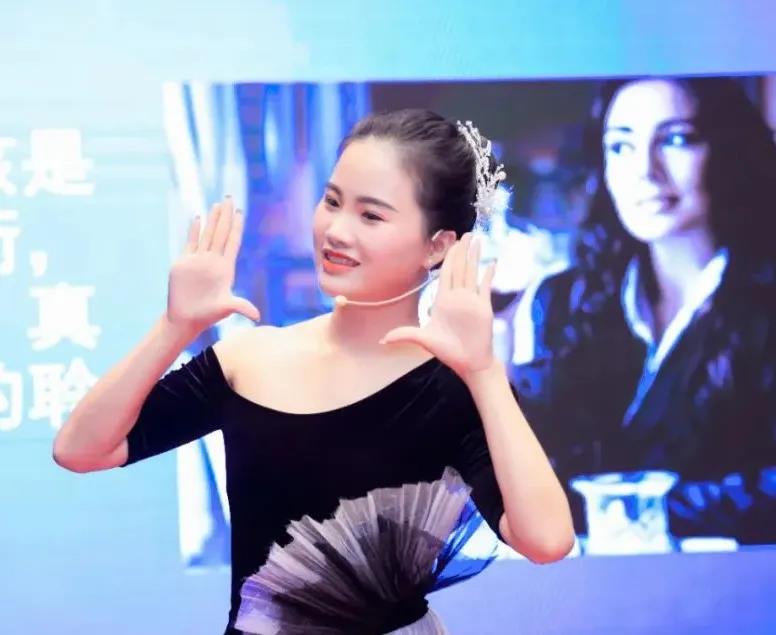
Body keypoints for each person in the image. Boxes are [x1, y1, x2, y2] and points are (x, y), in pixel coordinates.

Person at [53, 109, 574, 633]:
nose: (336, 230)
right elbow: (81, 449)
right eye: (332, 202)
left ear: (437, 245)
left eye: (371, 216)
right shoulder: (247, 359)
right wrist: (174, 327)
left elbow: (547, 541)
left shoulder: (451, 386)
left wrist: (482, 370)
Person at [510, 77, 776, 545]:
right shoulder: (560, 302)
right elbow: (525, 470)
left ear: (728, 150)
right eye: (621, 147)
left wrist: (628, 508)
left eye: (676, 140)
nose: (645, 173)